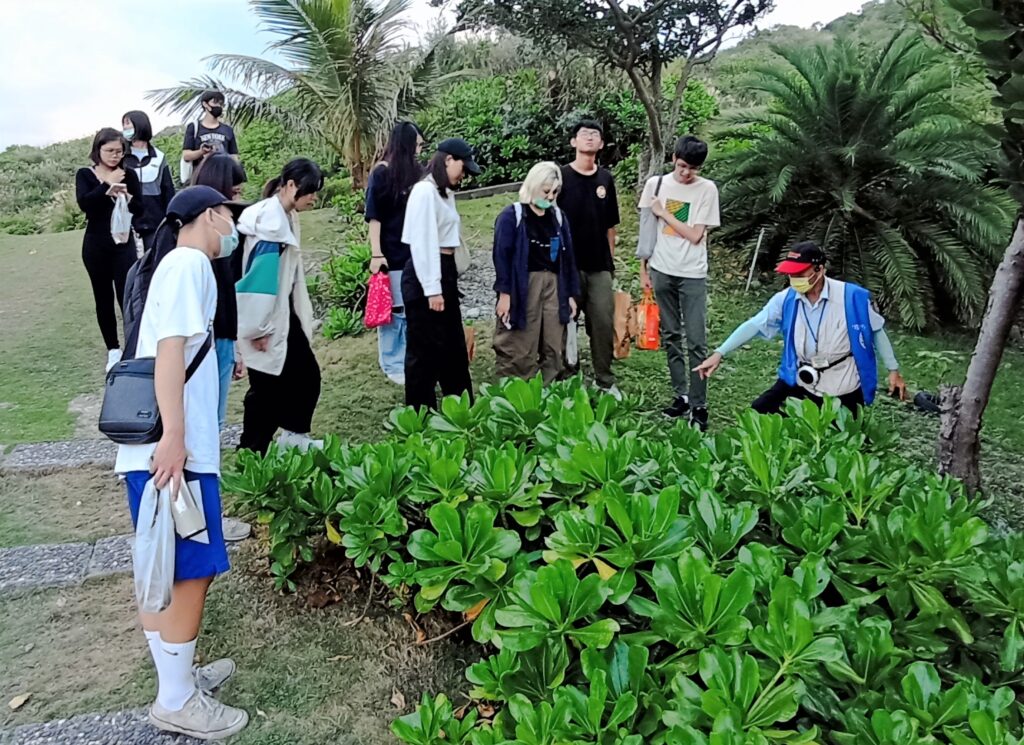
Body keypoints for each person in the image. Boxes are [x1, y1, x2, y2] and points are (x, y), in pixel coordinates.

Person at [113, 186, 248, 740]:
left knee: (164, 567)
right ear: (209, 216)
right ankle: (176, 699)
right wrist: (174, 437)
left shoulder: (169, 264)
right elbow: (171, 351)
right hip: (174, 455)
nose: (232, 230)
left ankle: (177, 677)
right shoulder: (191, 262)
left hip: (154, 453)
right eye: (228, 217)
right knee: (191, 571)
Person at [694, 242, 908, 414]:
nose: (794, 279)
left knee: (839, 441)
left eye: (800, 274)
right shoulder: (786, 299)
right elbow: (755, 324)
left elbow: (876, 330)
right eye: (791, 274)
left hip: (843, 381)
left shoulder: (851, 297)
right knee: (758, 412)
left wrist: (893, 370)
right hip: (801, 377)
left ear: (820, 269)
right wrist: (719, 353)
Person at [236, 158, 324, 455]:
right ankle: (252, 449)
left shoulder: (285, 216)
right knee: (267, 388)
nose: (314, 197)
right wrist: (258, 328)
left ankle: (290, 437)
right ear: (290, 186)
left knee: (300, 376)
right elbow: (258, 282)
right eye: (310, 191)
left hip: (282, 310)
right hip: (266, 313)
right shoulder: (271, 225)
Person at [638, 135, 720, 430]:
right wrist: (643, 270)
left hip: (692, 273)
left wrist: (664, 213)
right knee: (671, 335)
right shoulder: (655, 185)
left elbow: (696, 235)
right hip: (661, 269)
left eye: (693, 169)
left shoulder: (707, 189)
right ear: (673, 158)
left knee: (697, 341)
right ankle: (681, 395)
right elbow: (646, 230)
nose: (686, 173)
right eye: (683, 166)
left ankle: (699, 404)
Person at [401, 138, 481, 410]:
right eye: (462, 167)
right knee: (423, 350)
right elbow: (422, 242)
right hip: (426, 272)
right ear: (448, 160)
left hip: (444, 270)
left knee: (453, 345)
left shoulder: (444, 192)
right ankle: (419, 412)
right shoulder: (424, 192)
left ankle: (459, 407)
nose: (463, 175)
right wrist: (432, 288)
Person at [492, 162, 580, 383]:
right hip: (523, 284)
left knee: (554, 340)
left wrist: (570, 294)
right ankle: (515, 390)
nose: (550, 197)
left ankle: (552, 391)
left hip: (554, 284)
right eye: (546, 191)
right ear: (533, 185)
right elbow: (501, 257)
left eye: (555, 192)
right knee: (520, 340)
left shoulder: (559, 217)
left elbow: (568, 258)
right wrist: (505, 294)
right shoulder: (512, 215)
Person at [558, 120, 621, 398]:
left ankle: (604, 380)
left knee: (603, 323)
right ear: (573, 142)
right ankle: (568, 377)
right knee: (565, 323)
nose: (589, 138)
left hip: (599, 266)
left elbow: (611, 225)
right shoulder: (560, 177)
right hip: (567, 266)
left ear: (601, 144)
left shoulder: (605, 179)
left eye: (595, 135)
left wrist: (611, 260)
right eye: (583, 135)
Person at [76, 127, 143, 371]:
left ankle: (132, 345)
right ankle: (113, 349)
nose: (115, 156)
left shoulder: (129, 174)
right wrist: (107, 186)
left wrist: (128, 196)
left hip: (123, 244)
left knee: (127, 296)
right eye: (110, 151)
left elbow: (141, 209)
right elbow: (86, 205)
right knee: (102, 297)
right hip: (95, 245)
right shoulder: (85, 174)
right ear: (98, 150)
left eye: (119, 151)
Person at [365, 121, 425, 385]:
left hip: (417, 255)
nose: (421, 149)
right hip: (392, 254)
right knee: (393, 311)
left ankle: (411, 357)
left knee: (414, 310)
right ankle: (391, 362)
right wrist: (377, 254)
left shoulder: (419, 174)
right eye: (418, 144)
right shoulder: (381, 173)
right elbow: (374, 217)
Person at [191, 155, 248, 430]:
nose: (238, 199)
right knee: (209, 417)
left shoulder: (214, 234)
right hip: (210, 335)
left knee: (210, 415)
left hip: (221, 333)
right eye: (234, 192)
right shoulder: (215, 236)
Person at [122, 110, 176, 252]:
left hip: (154, 222)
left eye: (128, 124)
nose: (125, 129)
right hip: (128, 222)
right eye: (124, 125)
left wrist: (171, 219)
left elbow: (168, 190)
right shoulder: (121, 157)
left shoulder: (159, 157)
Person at [181, 90, 239, 182]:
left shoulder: (228, 130)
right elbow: (186, 155)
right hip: (200, 180)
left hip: (224, 180)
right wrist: (201, 152)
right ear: (205, 104)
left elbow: (234, 157)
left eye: (221, 104)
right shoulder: (194, 127)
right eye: (215, 102)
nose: (219, 106)